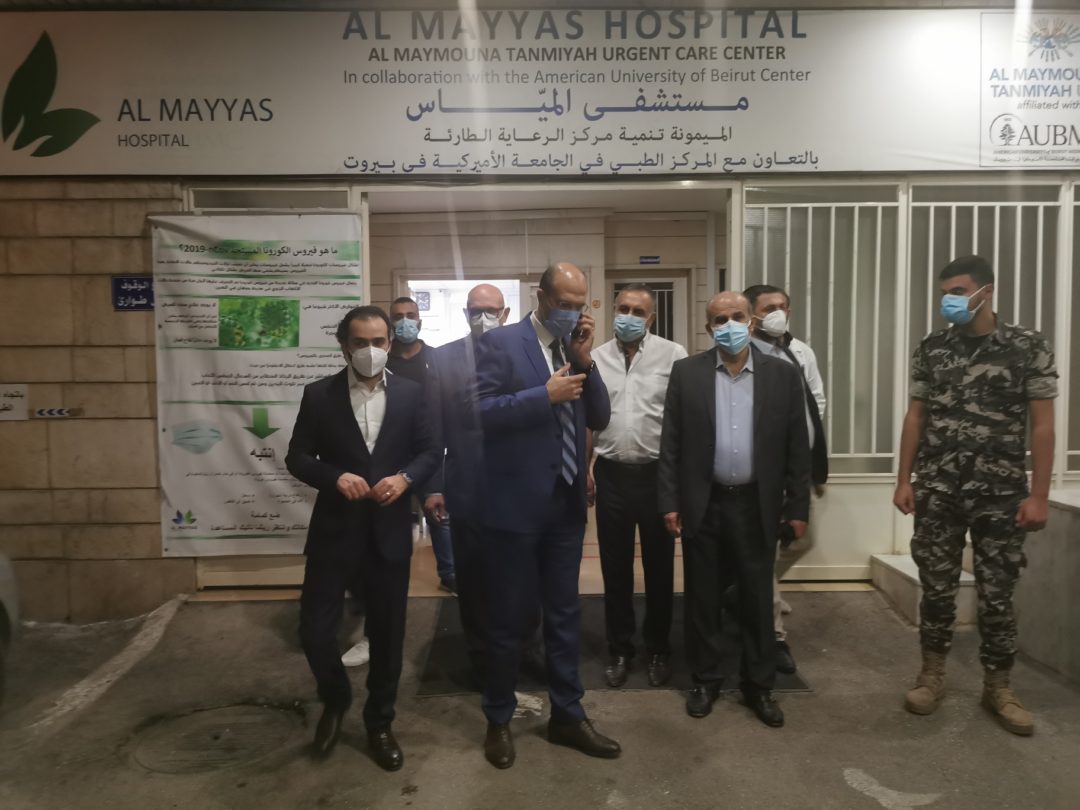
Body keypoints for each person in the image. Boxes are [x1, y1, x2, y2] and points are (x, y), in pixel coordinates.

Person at [893, 255, 1056, 736]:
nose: (950, 300)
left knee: (997, 593)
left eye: (959, 291)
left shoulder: (1027, 346)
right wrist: (904, 479)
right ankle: (931, 675)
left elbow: (1043, 425)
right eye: (946, 292)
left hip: (1000, 492)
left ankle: (999, 687)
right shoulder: (933, 347)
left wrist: (1039, 494)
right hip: (939, 487)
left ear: (987, 291)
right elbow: (916, 416)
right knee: (937, 588)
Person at [475, 262, 620, 768]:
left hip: (565, 505)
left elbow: (599, 416)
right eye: (564, 304)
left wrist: (585, 361)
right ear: (540, 296)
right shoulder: (500, 343)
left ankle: (567, 715)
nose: (572, 314)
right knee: (508, 619)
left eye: (580, 305)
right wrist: (543, 396)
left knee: (564, 615)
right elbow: (478, 413)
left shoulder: (572, 349)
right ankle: (498, 717)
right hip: (514, 507)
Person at [286, 305, 440, 769]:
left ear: (390, 344)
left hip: (388, 531)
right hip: (335, 530)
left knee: (388, 635)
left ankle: (380, 721)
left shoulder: (412, 394)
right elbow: (297, 457)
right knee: (315, 631)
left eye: (378, 342)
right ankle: (335, 699)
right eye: (360, 342)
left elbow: (430, 450)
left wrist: (406, 479)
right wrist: (333, 477)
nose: (370, 350)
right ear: (344, 346)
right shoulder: (319, 395)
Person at [659, 291, 810, 728]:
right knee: (703, 597)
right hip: (703, 503)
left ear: (751, 321)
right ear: (708, 328)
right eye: (720, 319)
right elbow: (670, 442)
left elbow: (797, 446)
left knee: (756, 598)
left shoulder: (782, 375)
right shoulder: (687, 373)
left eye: (737, 316)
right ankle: (706, 680)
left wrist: (797, 507)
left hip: (756, 504)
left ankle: (758, 685)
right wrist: (669, 500)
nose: (729, 325)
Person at [588, 284, 687, 688]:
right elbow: (588, 420)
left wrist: (678, 482)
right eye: (623, 308)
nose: (628, 316)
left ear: (651, 318)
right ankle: (620, 648)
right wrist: (586, 469)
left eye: (638, 311)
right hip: (611, 475)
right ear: (613, 310)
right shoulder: (595, 358)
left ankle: (658, 648)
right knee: (614, 570)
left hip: (657, 477)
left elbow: (680, 421)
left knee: (660, 569)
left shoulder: (673, 355)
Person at [421, 284, 510, 681]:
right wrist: (434, 486)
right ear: (465, 314)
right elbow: (434, 428)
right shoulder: (442, 359)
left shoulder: (521, 351)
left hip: (514, 484)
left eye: (491, 310)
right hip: (465, 484)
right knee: (472, 578)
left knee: (516, 575)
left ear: (505, 314)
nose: (483, 317)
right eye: (476, 310)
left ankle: (519, 650)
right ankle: (479, 657)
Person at [745, 284, 828, 676]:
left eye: (782, 306)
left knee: (802, 540)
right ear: (753, 315)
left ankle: (747, 590)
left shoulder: (801, 352)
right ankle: (774, 635)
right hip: (763, 470)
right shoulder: (746, 352)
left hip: (799, 467)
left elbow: (816, 401)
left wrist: (804, 451)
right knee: (766, 550)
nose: (777, 313)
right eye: (768, 308)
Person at [385, 295, 456, 594]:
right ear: (390, 323)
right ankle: (384, 576)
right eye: (398, 316)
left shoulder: (438, 360)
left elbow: (449, 405)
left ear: (420, 321)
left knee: (439, 514)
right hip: (390, 451)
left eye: (410, 315)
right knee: (388, 517)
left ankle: (450, 574)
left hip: (430, 449)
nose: (404, 321)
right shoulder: (381, 360)